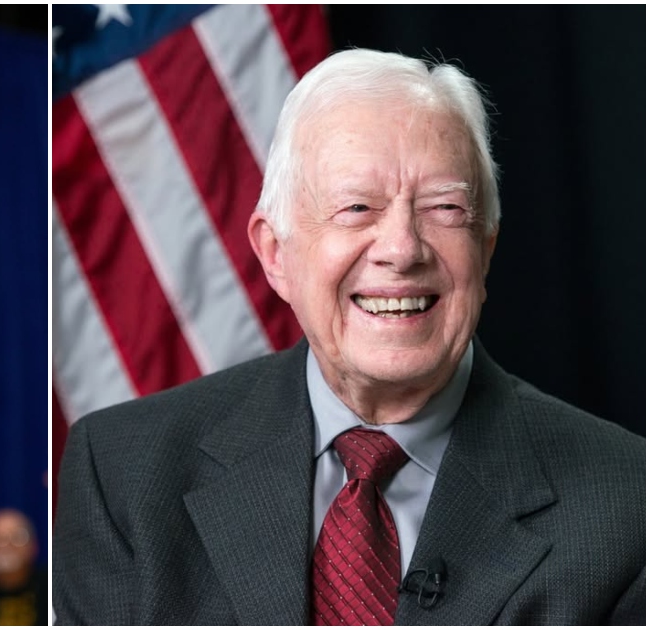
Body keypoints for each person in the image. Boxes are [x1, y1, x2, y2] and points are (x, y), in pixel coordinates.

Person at [53, 49, 645, 625]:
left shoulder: (628, 508)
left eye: (443, 208)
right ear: (276, 253)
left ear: (485, 249)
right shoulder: (122, 474)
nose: (402, 250)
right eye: (357, 207)